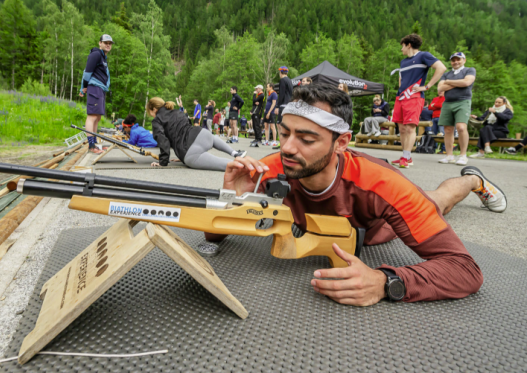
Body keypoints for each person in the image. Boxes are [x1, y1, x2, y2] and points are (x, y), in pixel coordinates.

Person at [211, 84, 507, 306]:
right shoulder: (269, 168)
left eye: (306, 138)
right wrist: (230, 201)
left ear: (341, 142)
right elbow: (212, 236)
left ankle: (472, 180)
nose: (287, 147)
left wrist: (386, 282)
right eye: (285, 133)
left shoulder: (383, 185)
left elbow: (466, 271)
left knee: (439, 200)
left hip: (379, 227)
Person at [390, 34, 446, 168]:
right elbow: (401, 79)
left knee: (410, 127)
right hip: (401, 97)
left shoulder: (423, 56)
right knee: (401, 128)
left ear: (408, 45)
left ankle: (407, 157)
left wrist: (426, 87)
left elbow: (441, 68)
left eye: (402, 46)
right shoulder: (403, 62)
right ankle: (405, 156)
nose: (401, 50)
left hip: (414, 97)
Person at [146, 97, 246, 171]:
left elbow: (162, 140)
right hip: (201, 134)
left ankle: (246, 168)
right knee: (213, 137)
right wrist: (180, 157)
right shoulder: (177, 112)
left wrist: (163, 162)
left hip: (190, 152)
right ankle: (235, 153)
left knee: (228, 166)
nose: (150, 115)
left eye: (149, 112)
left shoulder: (157, 120)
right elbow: (187, 124)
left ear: (154, 109)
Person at [436, 52, 476, 166]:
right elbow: (440, 88)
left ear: (464, 60)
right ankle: (449, 156)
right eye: (453, 60)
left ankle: (463, 155)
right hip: (448, 102)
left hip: (463, 101)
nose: (455, 62)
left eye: (458, 59)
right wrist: (460, 83)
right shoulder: (447, 73)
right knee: (447, 129)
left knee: (461, 127)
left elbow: (467, 82)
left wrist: (448, 82)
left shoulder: (469, 70)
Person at [80, 34, 114, 154]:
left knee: (97, 117)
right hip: (94, 88)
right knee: (92, 116)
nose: (108, 45)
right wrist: (83, 87)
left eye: (110, 43)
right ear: (100, 43)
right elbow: (87, 72)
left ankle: (95, 143)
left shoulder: (103, 57)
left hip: (100, 89)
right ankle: (91, 146)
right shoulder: (95, 54)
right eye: (105, 42)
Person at [275, 66, 294, 149]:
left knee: (279, 124)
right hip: (289, 104)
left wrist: (277, 106)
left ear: (280, 73)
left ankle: (282, 142)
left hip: (283, 105)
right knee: (285, 124)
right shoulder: (290, 80)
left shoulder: (282, 80)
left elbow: (281, 94)